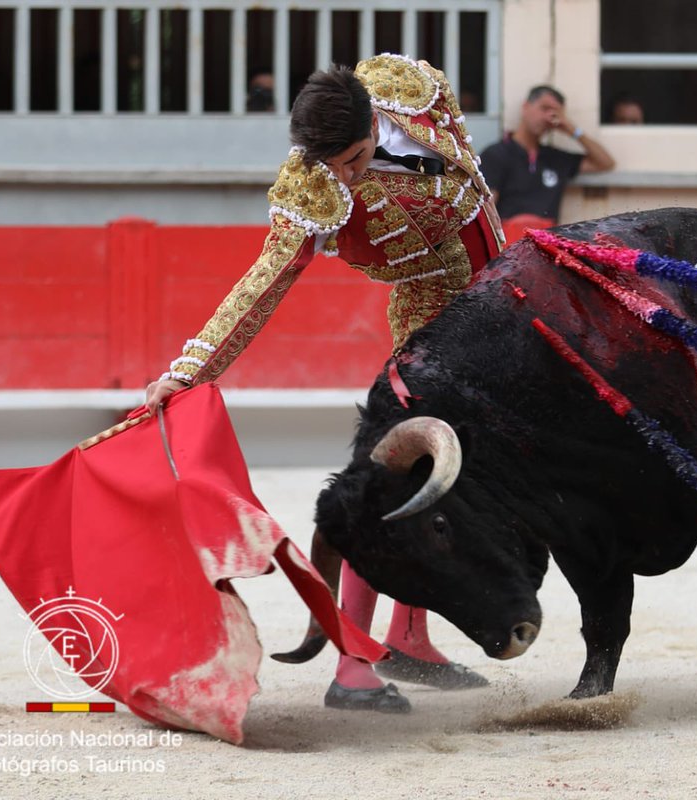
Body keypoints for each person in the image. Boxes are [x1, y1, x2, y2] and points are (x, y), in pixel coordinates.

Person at [145, 54, 505, 713]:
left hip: (492, 294)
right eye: (334, 166)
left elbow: (466, 171)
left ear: (372, 124)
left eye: (354, 160)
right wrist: (189, 371)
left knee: (455, 480)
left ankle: (408, 634)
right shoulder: (313, 184)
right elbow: (265, 281)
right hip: (431, 311)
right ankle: (355, 663)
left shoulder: (407, 85)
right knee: (402, 478)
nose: (343, 176)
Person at [479, 85, 615, 224]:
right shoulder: (496, 154)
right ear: (525, 107)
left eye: (555, 113)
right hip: (510, 239)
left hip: (546, 240)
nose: (547, 116)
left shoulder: (555, 158)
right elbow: (487, 212)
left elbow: (605, 162)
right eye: (544, 108)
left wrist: (571, 129)